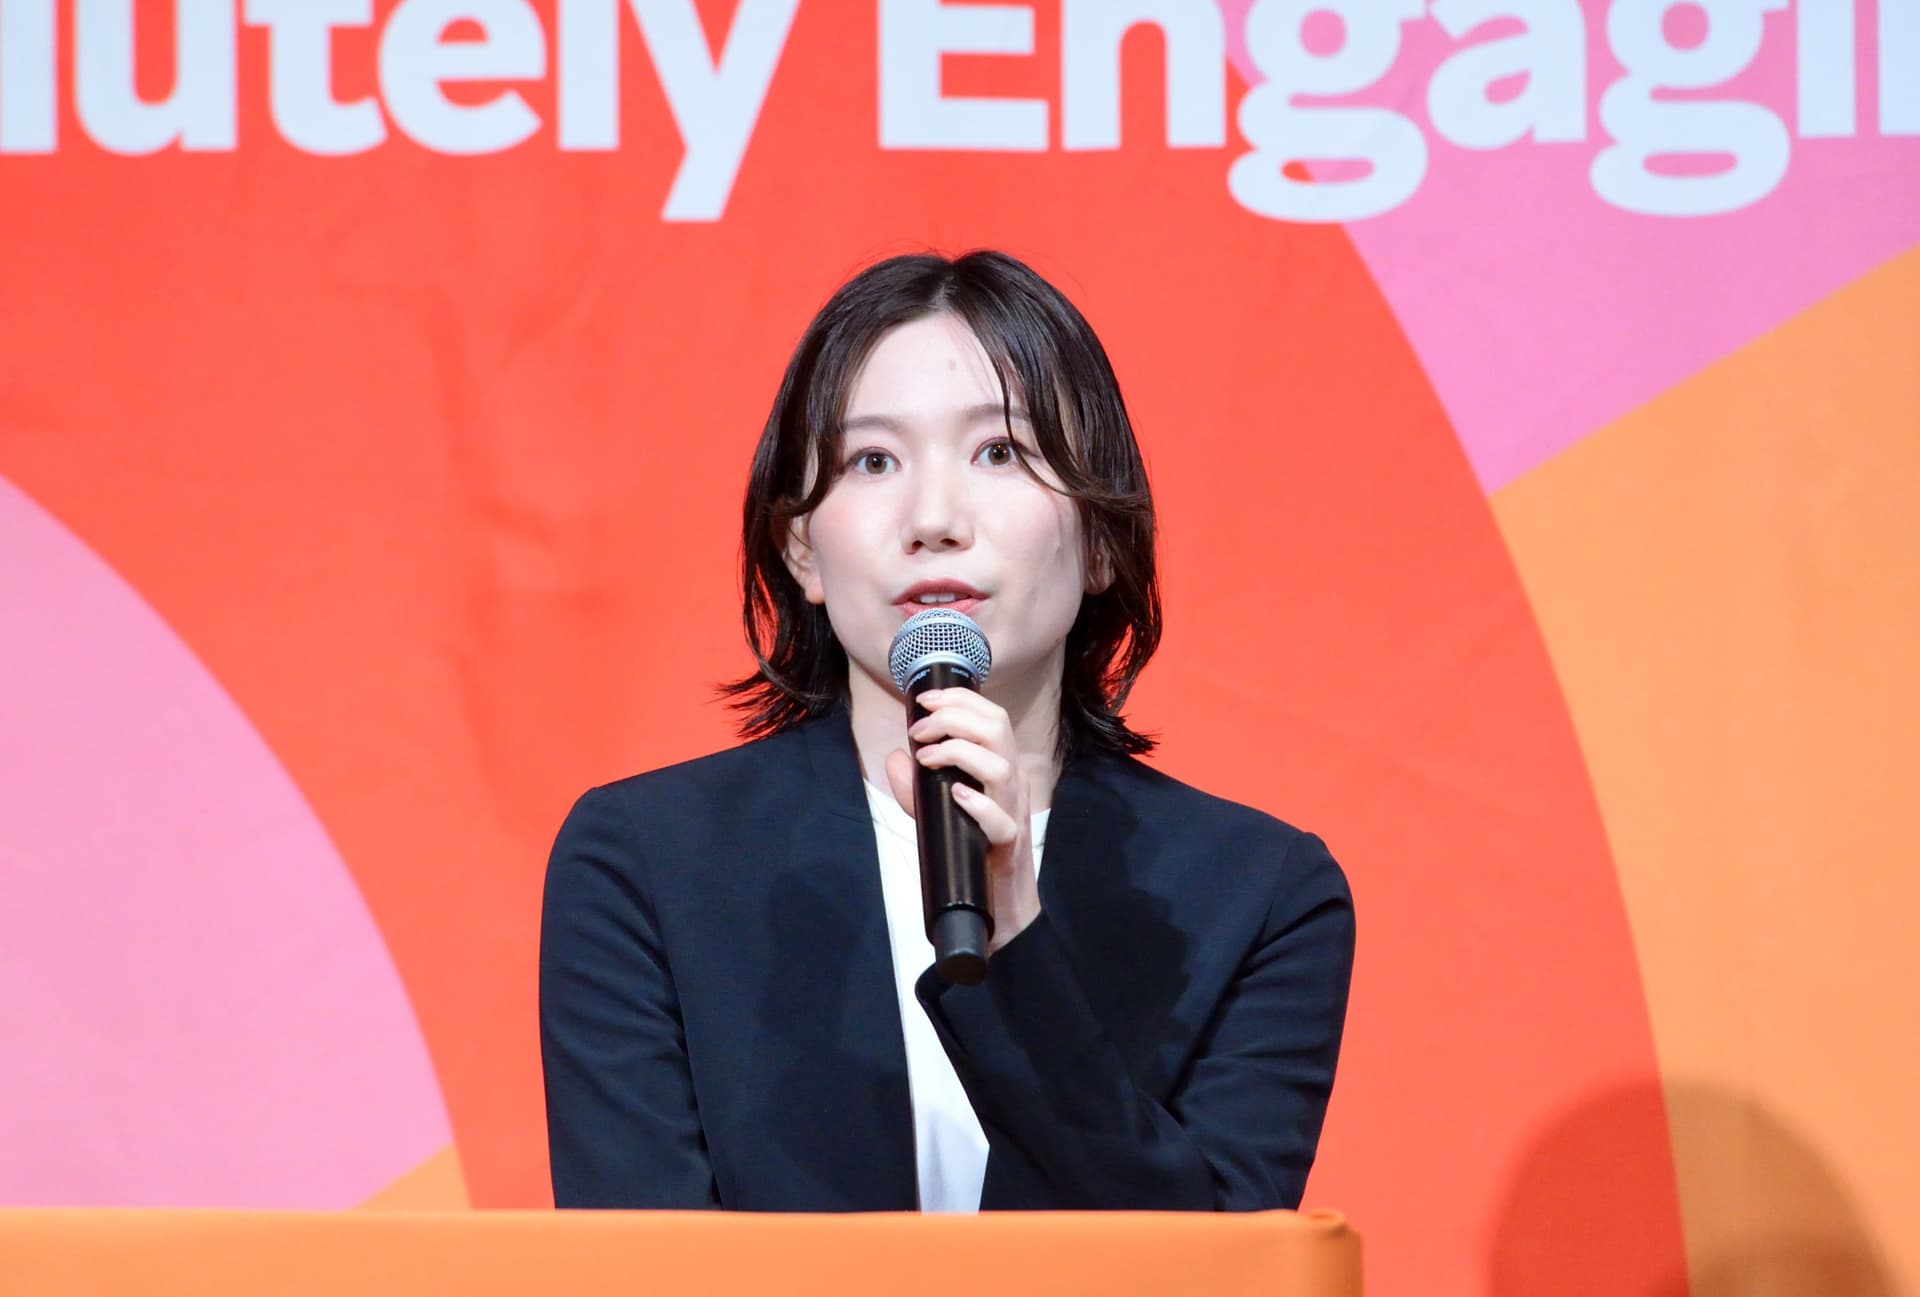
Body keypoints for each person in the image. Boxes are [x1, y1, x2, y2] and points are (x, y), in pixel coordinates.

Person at [538, 249, 1355, 1213]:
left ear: (1099, 536)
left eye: (1000, 452)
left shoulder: (1259, 897)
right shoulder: (647, 860)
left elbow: (1210, 1270)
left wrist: (1014, 935)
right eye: (873, 461)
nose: (933, 518)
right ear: (801, 546)